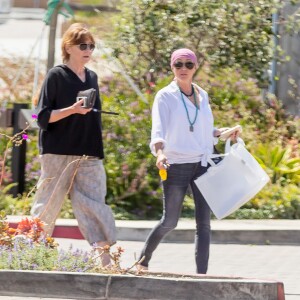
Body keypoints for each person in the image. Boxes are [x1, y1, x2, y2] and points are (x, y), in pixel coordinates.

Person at [137, 48, 239, 274]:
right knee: (170, 221)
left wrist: (222, 132)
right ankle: (143, 261)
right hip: (175, 164)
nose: (183, 69)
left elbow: (203, 129)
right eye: (178, 64)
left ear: (195, 68)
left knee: (204, 224)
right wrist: (160, 153)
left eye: (188, 65)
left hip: (202, 165)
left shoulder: (202, 94)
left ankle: (201, 276)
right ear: (172, 67)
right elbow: (158, 130)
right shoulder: (165, 96)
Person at [31, 23, 116, 267]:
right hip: (57, 150)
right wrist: (72, 110)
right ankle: (32, 254)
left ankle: (106, 261)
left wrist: (98, 147)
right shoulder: (56, 75)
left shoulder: (92, 76)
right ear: (69, 47)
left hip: (88, 150)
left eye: (91, 45)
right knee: (48, 203)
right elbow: (42, 116)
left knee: (94, 203)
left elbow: (94, 115)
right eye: (83, 45)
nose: (88, 50)